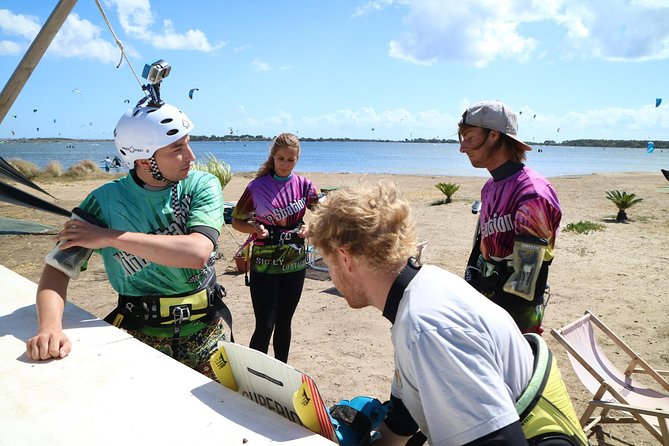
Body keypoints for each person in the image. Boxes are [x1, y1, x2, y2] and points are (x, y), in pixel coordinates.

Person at [308, 182, 587, 446]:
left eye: (328, 260)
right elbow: (402, 422)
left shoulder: (426, 327)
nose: (332, 273)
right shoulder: (423, 287)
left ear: (345, 258)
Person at [26, 98, 231, 380]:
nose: (191, 156)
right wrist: (49, 328)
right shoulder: (103, 203)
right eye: (177, 148)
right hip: (138, 335)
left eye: (188, 143)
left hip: (206, 332)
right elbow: (56, 270)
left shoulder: (201, 185)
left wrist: (109, 237)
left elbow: (197, 253)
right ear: (145, 158)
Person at [458, 100, 561, 335]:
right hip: (485, 310)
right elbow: (480, 250)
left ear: (494, 135)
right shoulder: (490, 187)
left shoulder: (532, 193)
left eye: (470, 137)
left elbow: (525, 282)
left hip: (513, 323)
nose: (463, 147)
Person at [231, 133, 319, 363]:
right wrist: (254, 229)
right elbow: (236, 221)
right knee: (265, 324)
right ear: (273, 156)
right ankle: (253, 374)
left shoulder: (305, 186)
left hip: (295, 263)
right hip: (264, 263)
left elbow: (325, 216)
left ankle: (282, 371)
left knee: (284, 322)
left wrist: (310, 227)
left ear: (297, 159)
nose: (285, 164)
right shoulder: (256, 187)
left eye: (291, 160)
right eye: (281, 158)